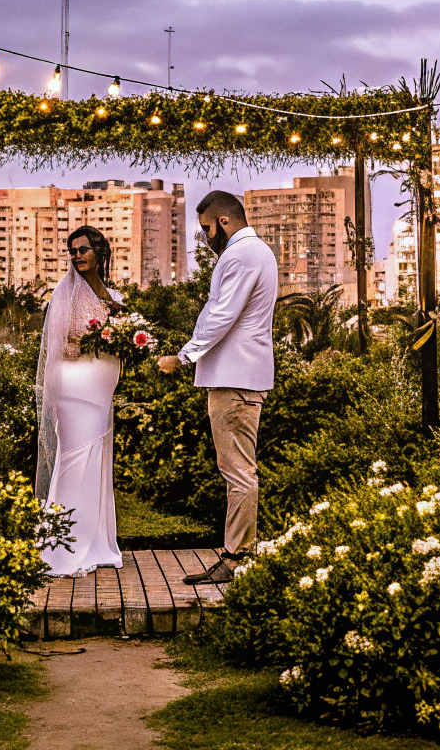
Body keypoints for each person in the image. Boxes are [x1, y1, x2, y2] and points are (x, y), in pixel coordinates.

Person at [158, 190, 278, 584]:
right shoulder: (256, 252)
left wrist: (183, 356)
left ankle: (235, 558)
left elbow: (222, 314)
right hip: (239, 376)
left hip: (234, 378)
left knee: (238, 472)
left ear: (224, 222)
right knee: (239, 470)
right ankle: (237, 554)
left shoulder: (242, 254)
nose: (206, 237)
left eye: (207, 228)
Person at [35, 225, 125, 577]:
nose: (77, 255)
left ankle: (96, 541)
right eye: (72, 250)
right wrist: (94, 338)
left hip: (101, 388)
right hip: (74, 387)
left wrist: (124, 341)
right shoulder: (65, 293)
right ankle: (62, 546)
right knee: (73, 460)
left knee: (97, 462)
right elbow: (61, 344)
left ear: (99, 252)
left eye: (83, 249)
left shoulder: (114, 297)